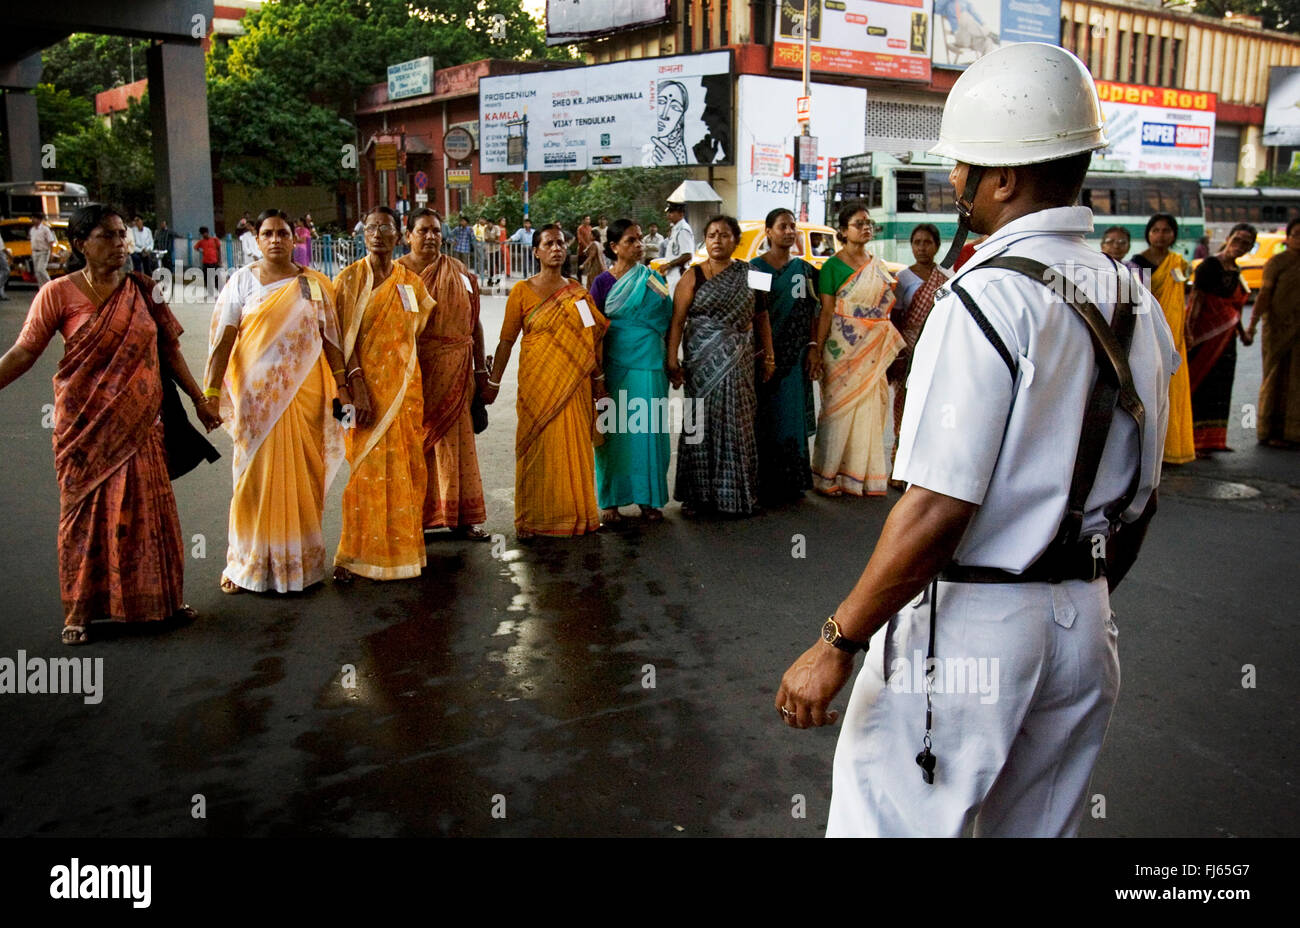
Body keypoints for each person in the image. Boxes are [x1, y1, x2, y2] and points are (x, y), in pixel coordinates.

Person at [774, 43, 1174, 838]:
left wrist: (837, 641)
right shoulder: (1134, 299)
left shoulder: (987, 297)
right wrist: (1070, 599)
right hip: (1086, 628)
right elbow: (1143, 498)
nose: (954, 183)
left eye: (961, 167)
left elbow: (935, 509)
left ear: (1003, 178)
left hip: (974, 625)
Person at [0, 204, 221, 644]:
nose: (120, 244)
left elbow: (170, 351)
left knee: (148, 512)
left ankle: (162, 603)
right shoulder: (58, 294)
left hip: (142, 423)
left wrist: (200, 399)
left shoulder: (145, 289)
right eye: (107, 236)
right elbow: (25, 352)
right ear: (81, 244)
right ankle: (81, 613)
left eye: (122, 235)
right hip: (84, 426)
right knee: (84, 516)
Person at [205, 209, 349, 593]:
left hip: (304, 397)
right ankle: (244, 564)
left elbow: (332, 340)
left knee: (303, 474)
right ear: (256, 238)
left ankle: (300, 564)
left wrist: (344, 388)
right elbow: (224, 340)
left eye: (282, 233)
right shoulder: (241, 282)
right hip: (256, 399)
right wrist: (211, 391)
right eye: (267, 233)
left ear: (294, 239)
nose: (274, 240)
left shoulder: (313, 284)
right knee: (250, 479)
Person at [484, 224, 608, 537]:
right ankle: (531, 520)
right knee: (535, 448)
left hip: (574, 386)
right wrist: (494, 382)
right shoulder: (522, 291)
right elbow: (506, 341)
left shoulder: (577, 292)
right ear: (536, 251)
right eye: (549, 243)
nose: (556, 248)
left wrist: (599, 380)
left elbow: (591, 340)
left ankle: (576, 515)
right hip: (537, 384)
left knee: (574, 447)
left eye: (561, 243)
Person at [332, 206, 436, 581]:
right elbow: (339, 339)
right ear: (363, 234)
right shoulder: (347, 279)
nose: (377, 233)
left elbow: (414, 335)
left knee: (407, 468)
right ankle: (354, 555)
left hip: (406, 393)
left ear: (398, 235)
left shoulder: (411, 284)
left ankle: (404, 552)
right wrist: (354, 385)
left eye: (385, 228)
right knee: (363, 472)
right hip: (360, 393)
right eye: (371, 227)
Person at [667, 215, 775, 517]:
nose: (717, 240)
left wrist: (769, 356)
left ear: (736, 240)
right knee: (699, 422)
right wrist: (671, 359)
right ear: (705, 240)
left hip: (740, 363)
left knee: (737, 424)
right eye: (712, 235)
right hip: (701, 364)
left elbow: (762, 318)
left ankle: (737, 494)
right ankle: (697, 497)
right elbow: (677, 320)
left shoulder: (753, 273)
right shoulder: (692, 275)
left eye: (725, 235)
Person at [396, 208, 492, 538]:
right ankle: (417, 519)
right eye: (422, 230)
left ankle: (462, 518)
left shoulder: (459, 271)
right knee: (416, 445)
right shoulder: (396, 275)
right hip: (415, 373)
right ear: (408, 236)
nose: (431, 236)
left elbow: (474, 323)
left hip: (458, 370)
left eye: (436, 231)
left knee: (458, 444)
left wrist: (481, 372)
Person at [810, 202, 905, 497]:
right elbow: (825, 312)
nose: (866, 228)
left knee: (870, 408)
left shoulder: (877, 266)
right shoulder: (832, 266)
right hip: (841, 349)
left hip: (872, 349)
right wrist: (816, 349)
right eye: (859, 223)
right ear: (843, 231)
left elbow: (884, 309)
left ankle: (858, 476)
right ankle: (827, 476)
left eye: (868, 223)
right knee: (836, 411)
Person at [588, 219, 673, 525]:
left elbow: (668, 316)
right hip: (613, 363)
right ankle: (610, 500)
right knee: (612, 433)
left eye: (639, 239)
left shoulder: (651, 278)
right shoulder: (602, 283)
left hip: (649, 362)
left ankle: (648, 499)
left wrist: (672, 358)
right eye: (631, 241)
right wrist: (594, 372)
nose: (639, 245)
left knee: (648, 431)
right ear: (614, 248)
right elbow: (593, 327)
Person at [751, 208, 820, 505]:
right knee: (765, 418)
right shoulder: (756, 268)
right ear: (768, 232)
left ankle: (793, 482)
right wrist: (763, 353)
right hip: (765, 356)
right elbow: (755, 312)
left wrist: (814, 345)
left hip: (794, 355)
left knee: (790, 418)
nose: (789, 232)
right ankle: (765, 482)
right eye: (783, 226)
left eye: (793, 226)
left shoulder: (805, 270)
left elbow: (815, 310)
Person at [1131, 213, 1195, 465]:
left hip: (1174, 334)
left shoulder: (1179, 263)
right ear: (1148, 233)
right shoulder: (1137, 263)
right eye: (1155, 230)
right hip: (1148, 335)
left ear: (1174, 235)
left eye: (1166, 231)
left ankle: (1173, 448)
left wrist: (1185, 330)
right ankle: (1146, 451)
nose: (1160, 235)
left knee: (1174, 391)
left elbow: (1182, 299)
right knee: (1149, 389)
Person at [1187, 222, 1255, 455]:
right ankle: (1192, 440)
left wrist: (1243, 332)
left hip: (1226, 341)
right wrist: (1189, 331)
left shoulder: (1236, 270)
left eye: (1246, 243)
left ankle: (1213, 440)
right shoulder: (1209, 265)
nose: (1240, 246)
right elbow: (1196, 299)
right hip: (1205, 336)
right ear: (1228, 238)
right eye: (1237, 240)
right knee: (1200, 385)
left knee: (1221, 388)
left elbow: (1234, 308)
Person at [888, 223, 944, 473]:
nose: (921, 248)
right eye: (917, 242)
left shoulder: (945, 277)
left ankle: (925, 469)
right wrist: (898, 352)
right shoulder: (903, 278)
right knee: (905, 404)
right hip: (908, 347)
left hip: (936, 347)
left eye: (927, 242)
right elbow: (895, 318)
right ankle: (900, 467)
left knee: (933, 405)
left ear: (937, 246)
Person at [1245, 217, 1300, 448]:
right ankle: (1270, 431)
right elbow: (1264, 295)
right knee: (1274, 377)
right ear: (1287, 237)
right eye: (1296, 234)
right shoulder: (1277, 262)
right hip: (1277, 329)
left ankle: (1293, 432)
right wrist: (1253, 324)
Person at [661, 203, 695, 292]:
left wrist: (669, 265)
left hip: (679, 274)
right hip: (673, 274)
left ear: (681, 214)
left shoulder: (683, 230)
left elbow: (687, 255)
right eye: (668, 212)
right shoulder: (676, 229)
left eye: (672, 212)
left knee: (677, 303)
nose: (668, 215)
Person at [30, 212, 57, 288]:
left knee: (41, 269)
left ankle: (51, 285)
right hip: (35, 252)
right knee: (37, 272)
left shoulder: (45, 229)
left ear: (39, 220)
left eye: (34, 218)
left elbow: (51, 241)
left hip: (43, 252)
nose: (32, 220)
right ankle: (41, 288)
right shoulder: (32, 230)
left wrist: (51, 253)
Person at [194, 226, 222, 299]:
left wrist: (219, 260)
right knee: (207, 279)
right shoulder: (201, 242)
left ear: (207, 233)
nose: (204, 235)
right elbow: (195, 247)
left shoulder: (214, 240)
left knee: (217, 278)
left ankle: (221, 293)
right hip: (206, 262)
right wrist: (202, 251)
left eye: (205, 233)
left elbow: (219, 250)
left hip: (214, 262)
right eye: (202, 234)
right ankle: (210, 293)